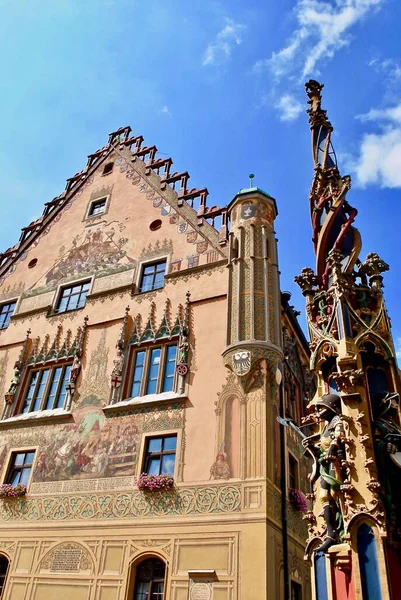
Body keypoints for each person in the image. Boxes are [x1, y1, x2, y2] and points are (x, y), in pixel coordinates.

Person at [303, 393, 345, 552]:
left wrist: (333, 448)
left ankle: (342, 525)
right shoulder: (326, 427)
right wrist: (312, 447)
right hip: (325, 466)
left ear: (331, 407)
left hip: (335, 463)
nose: (319, 412)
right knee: (323, 496)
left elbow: (338, 437)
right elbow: (321, 449)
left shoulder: (337, 421)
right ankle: (331, 533)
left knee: (336, 493)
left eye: (321, 408)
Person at [373, 392, 401, 536]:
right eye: (393, 402)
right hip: (391, 468)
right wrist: (384, 446)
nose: (396, 405)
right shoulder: (379, 424)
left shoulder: (396, 426)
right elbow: (377, 443)